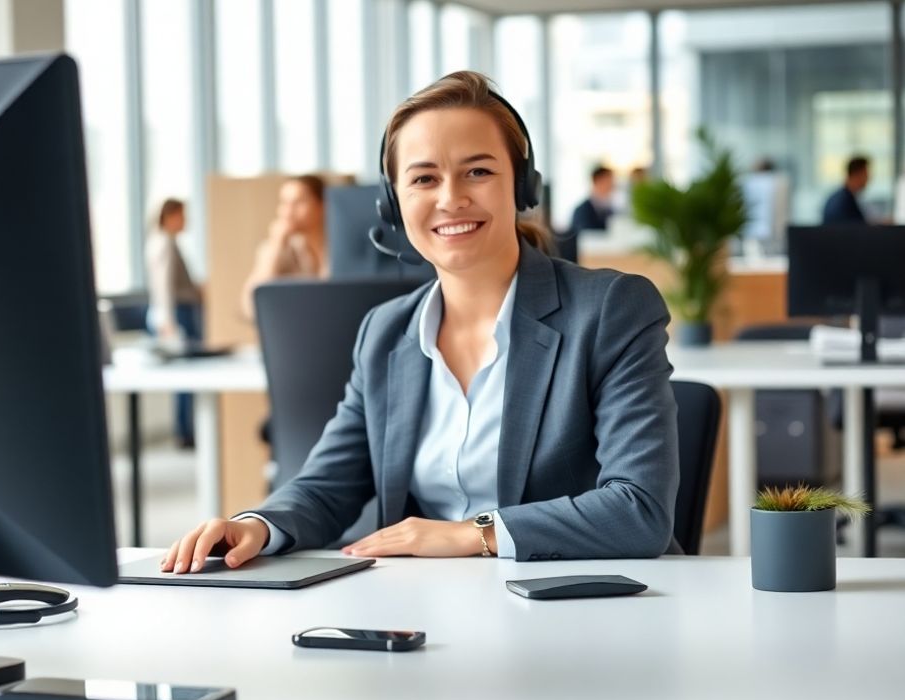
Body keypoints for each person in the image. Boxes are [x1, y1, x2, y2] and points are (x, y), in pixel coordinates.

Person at [161, 71, 678, 572]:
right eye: (424, 178)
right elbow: (327, 486)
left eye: (478, 171)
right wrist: (257, 526)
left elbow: (639, 509)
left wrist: (471, 534)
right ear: (393, 204)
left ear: (521, 187)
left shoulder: (610, 308)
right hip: (426, 613)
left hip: (579, 609)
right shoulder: (385, 333)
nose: (450, 198)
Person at [147, 198, 203, 448]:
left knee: (185, 377)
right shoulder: (164, 244)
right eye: (182, 215)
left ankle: (185, 430)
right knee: (185, 377)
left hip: (179, 312)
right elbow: (164, 286)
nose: (186, 221)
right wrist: (167, 320)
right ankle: (184, 433)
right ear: (170, 216)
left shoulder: (164, 242)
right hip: (177, 315)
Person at [240, 175, 328, 320]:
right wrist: (276, 244)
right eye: (284, 203)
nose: (288, 211)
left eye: (299, 202)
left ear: (322, 205)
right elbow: (250, 307)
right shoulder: (276, 249)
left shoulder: (338, 248)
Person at [823, 156, 870, 224]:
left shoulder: (842, 198)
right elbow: (857, 229)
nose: (868, 179)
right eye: (866, 175)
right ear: (857, 175)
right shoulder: (843, 202)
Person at [570, 165, 614, 233]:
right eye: (609, 181)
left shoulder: (609, 208)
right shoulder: (581, 210)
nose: (612, 185)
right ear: (597, 181)